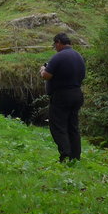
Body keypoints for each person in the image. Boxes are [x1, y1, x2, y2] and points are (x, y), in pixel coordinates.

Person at [40, 32, 86, 163]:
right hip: (77, 93)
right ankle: (75, 157)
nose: (55, 48)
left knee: (58, 126)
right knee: (73, 126)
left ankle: (65, 154)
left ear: (58, 42)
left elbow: (46, 76)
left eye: (55, 45)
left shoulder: (58, 57)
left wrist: (42, 69)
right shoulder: (78, 56)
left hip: (61, 95)